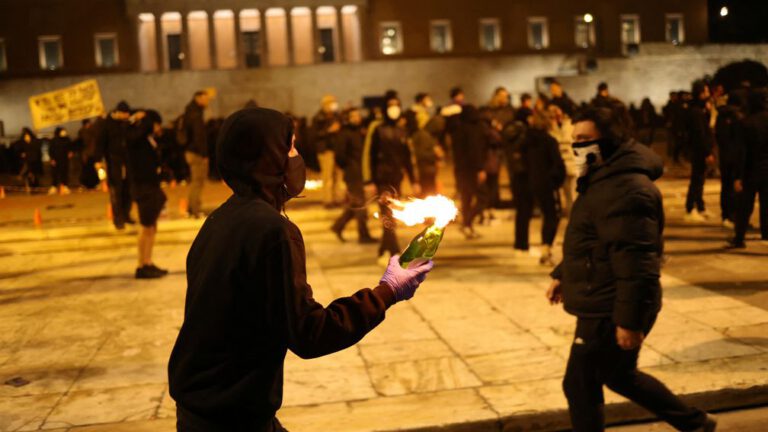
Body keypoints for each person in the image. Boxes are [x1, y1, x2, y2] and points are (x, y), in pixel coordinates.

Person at [168, 107, 434, 431]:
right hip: (232, 416)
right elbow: (309, 333)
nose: (297, 157)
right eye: (291, 147)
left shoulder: (220, 219)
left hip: (205, 404)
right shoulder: (271, 231)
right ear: (268, 157)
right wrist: (387, 291)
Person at [546, 107, 717, 432]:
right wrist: (562, 273)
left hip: (612, 303)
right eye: (574, 139)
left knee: (580, 383)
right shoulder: (601, 177)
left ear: (609, 140)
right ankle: (696, 424)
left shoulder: (628, 189)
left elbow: (637, 262)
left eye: (585, 139)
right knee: (619, 376)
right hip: (605, 295)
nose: (577, 146)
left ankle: (696, 424)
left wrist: (629, 321)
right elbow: (593, 238)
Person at [513, 109, 565, 266]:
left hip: (527, 183)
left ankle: (525, 245)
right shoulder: (549, 141)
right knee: (552, 216)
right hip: (545, 183)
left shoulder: (524, 141)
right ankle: (546, 248)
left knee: (531, 214)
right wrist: (556, 181)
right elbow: (558, 165)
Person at [370, 95, 418, 261]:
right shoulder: (378, 130)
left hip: (396, 179)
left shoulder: (402, 132)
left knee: (390, 216)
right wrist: (370, 181)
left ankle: (383, 249)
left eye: (397, 105)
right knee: (387, 215)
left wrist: (414, 180)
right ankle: (395, 252)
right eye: (391, 105)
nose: (394, 108)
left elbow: (407, 158)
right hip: (382, 178)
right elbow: (372, 156)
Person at [126, 110, 169, 279]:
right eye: (157, 124)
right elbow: (130, 136)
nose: (159, 128)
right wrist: (138, 119)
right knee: (146, 227)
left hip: (151, 186)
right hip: (144, 187)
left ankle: (148, 261)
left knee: (151, 226)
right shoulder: (136, 140)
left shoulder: (148, 140)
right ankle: (142, 264)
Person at [728, 88, 768, 249]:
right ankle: (766, 233)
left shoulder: (745, 123)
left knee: (744, 206)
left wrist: (738, 176)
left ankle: (739, 237)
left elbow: (742, 152)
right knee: (767, 203)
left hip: (751, 170)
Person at [331, 108, 376, 244]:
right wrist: (348, 167)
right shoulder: (344, 133)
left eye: (358, 115)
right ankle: (364, 235)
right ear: (347, 118)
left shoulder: (360, 132)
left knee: (355, 204)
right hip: (352, 174)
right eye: (353, 116)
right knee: (360, 205)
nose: (357, 118)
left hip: (360, 172)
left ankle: (338, 226)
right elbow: (339, 156)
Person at [95, 101, 134, 230]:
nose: (127, 116)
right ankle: (118, 219)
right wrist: (98, 160)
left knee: (128, 189)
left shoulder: (126, 123)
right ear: (118, 113)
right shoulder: (107, 124)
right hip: (113, 161)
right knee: (116, 191)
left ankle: (126, 215)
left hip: (128, 161)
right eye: (125, 114)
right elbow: (100, 142)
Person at [451, 104, 489, 239]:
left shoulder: (457, 130)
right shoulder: (474, 129)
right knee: (483, 197)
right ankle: (467, 223)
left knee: (466, 199)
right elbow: (475, 151)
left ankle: (467, 226)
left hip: (460, 170)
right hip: (472, 170)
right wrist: (480, 168)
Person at [684, 81, 716, 223]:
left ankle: (700, 207)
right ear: (700, 93)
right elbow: (699, 134)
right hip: (698, 151)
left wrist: (708, 112)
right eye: (706, 92)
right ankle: (690, 209)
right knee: (696, 180)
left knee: (700, 179)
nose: (708, 95)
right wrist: (707, 152)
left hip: (700, 150)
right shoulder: (696, 112)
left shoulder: (699, 110)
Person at [715, 90, 748, 229]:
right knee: (737, 187)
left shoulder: (720, 115)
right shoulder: (739, 116)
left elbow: (718, 136)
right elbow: (742, 139)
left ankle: (726, 215)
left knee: (725, 186)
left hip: (724, 156)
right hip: (736, 157)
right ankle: (734, 216)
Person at [311, 95, 343, 208]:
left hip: (337, 150)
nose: (333, 104)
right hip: (325, 151)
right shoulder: (318, 118)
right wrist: (329, 131)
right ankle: (327, 200)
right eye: (331, 103)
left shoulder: (337, 116)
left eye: (334, 102)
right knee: (327, 177)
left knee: (337, 176)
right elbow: (314, 135)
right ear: (325, 105)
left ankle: (338, 198)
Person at [183, 90, 210, 218]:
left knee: (196, 181)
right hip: (196, 153)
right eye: (205, 99)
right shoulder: (196, 114)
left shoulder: (190, 111)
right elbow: (199, 136)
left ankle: (191, 208)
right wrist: (204, 154)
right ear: (198, 98)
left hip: (190, 151)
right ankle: (194, 209)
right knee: (198, 182)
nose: (207, 102)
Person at [548, 104, 577, 216]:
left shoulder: (570, 125)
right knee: (566, 192)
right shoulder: (552, 127)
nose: (556, 116)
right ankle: (569, 212)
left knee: (574, 191)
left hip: (572, 162)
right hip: (561, 164)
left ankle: (574, 214)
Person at [49, 127, 73, 195]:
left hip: (65, 160)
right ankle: (54, 187)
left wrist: (71, 152)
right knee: (55, 174)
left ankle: (65, 186)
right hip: (56, 160)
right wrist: (52, 159)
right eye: (62, 131)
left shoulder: (67, 139)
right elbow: (51, 150)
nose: (63, 132)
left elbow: (71, 147)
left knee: (64, 173)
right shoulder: (54, 140)